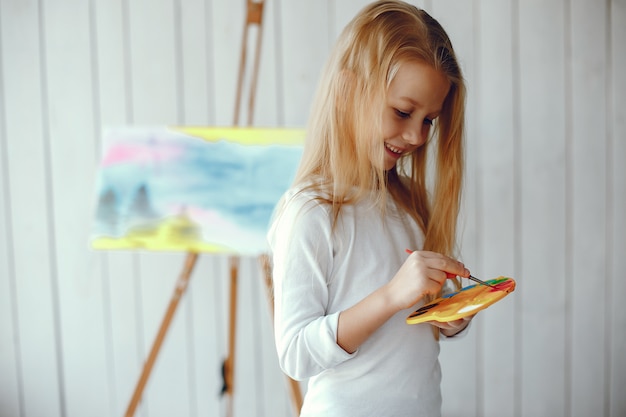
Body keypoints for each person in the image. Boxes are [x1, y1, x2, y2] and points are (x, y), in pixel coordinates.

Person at [267, 1, 473, 415]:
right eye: (402, 112)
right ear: (346, 91)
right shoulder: (311, 213)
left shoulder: (412, 201)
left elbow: (412, 332)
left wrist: (450, 316)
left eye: (430, 119)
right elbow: (295, 354)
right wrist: (392, 295)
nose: (416, 135)